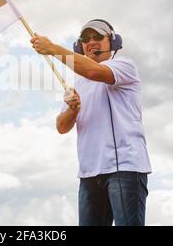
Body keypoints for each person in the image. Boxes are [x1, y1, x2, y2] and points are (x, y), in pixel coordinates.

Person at [30, 19, 152, 226]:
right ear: (80, 46)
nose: (92, 42)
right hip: (89, 174)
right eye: (86, 39)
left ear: (112, 42)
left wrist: (52, 49)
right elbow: (61, 126)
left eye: (98, 37)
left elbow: (94, 71)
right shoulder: (78, 82)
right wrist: (72, 109)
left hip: (124, 167)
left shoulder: (124, 65)